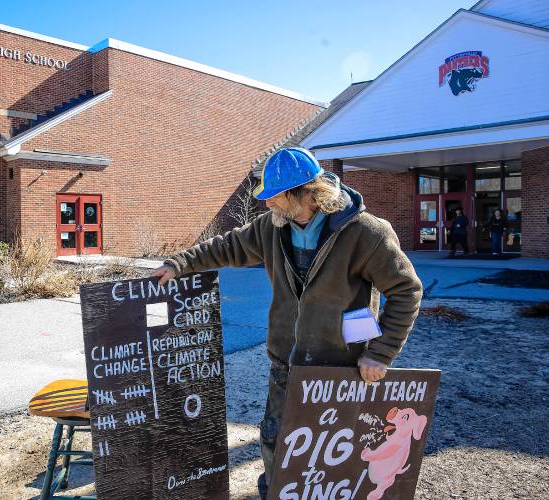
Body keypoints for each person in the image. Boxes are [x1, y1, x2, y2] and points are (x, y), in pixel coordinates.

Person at [152, 147, 423, 499]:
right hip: (288, 364)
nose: (267, 205)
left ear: (306, 194)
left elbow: (406, 291)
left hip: (342, 368)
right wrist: (179, 264)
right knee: (277, 441)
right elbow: (227, 246)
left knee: (337, 451)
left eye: (275, 197)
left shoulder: (366, 233)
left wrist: (381, 353)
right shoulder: (272, 227)